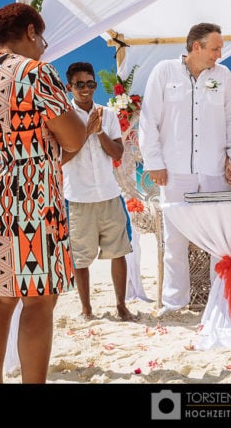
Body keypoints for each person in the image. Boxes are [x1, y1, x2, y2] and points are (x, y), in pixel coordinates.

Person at [0, 2, 86, 383]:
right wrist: (50, 152)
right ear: (30, 32)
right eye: (41, 37)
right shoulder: (36, 73)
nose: (44, 46)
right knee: (39, 296)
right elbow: (74, 137)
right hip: (29, 197)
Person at [138, 22, 231, 315]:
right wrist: (154, 163)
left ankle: (219, 300)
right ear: (196, 47)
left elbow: (230, 119)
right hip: (174, 171)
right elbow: (149, 120)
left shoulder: (223, 76)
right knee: (175, 239)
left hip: (213, 170)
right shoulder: (163, 71)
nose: (219, 55)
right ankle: (175, 303)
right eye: (215, 48)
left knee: (218, 237)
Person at [62, 62, 135, 322]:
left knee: (119, 252)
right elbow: (60, 159)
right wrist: (84, 132)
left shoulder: (107, 114)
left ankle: (121, 306)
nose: (86, 89)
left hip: (108, 194)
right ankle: (86, 309)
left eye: (90, 83)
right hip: (78, 197)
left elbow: (117, 153)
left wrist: (99, 130)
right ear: (69, 87)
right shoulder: (63, 116)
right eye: (79, 84)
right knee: (80, 258)